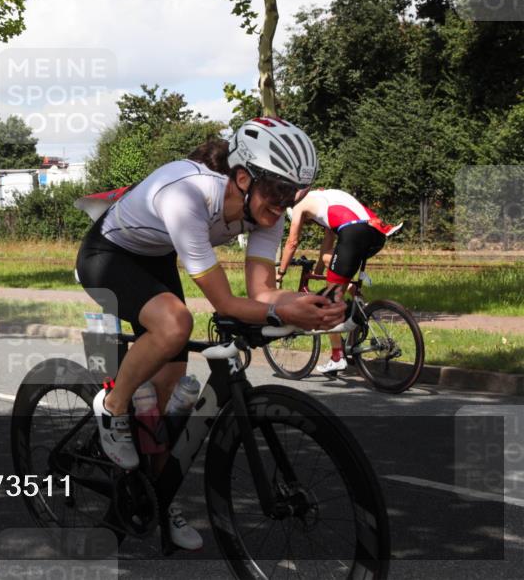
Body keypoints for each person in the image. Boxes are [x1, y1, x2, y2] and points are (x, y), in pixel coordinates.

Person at [75, 116, 345, 550]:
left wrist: (304, 306)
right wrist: (283, 314)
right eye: (278, 192)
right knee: (176, 323)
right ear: (243, 177)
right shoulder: (187, 194)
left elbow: (261, 291)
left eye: (294, 194)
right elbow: (227, 304)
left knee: (163, 407)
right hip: (107, 255)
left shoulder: (266, 211)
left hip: (156, 255)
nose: (285, 204)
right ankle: (112, 404)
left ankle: (155, 498)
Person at [277, 188, 398, 374]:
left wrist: (280, 273)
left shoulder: (299, 205)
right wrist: (317, 271)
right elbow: (327, 247)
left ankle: (337, 357)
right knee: (335, 269)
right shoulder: (324, 196)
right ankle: (359, 307)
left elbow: (292, 242)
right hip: (377, 232)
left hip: (353, 233)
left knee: (329, 302)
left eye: (307, 222)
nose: (309, 223)